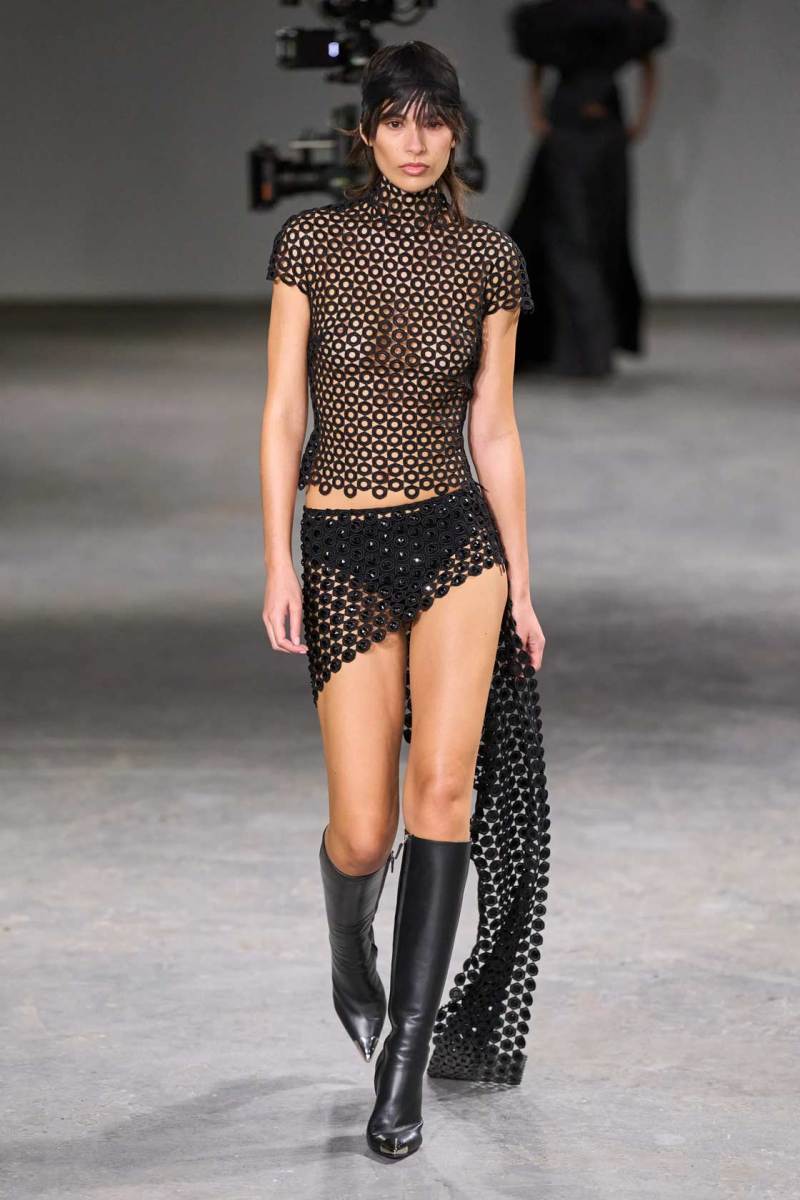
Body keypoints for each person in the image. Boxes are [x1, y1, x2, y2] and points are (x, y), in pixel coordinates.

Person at [260, 41, 550, 1161]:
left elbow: (495, 430)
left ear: (456, 130)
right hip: (339, 544)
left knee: (443, 789)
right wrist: (277, 559)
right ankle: (351, 951)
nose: (416, 141)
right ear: (366, 130)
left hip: (454, 542)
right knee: (362, 827)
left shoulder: (490, 259)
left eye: (434, 120)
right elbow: (283, 414)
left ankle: (404, 1062)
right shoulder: (310, 244)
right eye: (396, 120)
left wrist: (522, 582)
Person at [507, 0, 673, 377]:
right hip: (569, 128)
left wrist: (642, 119)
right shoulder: (560, 18)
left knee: (598, 236)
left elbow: (648, 62)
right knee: (570, 236)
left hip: (603, 134)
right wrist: (537, 117)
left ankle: (588, 353)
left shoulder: (626, 19)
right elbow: (537, 65)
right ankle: (582, 353)